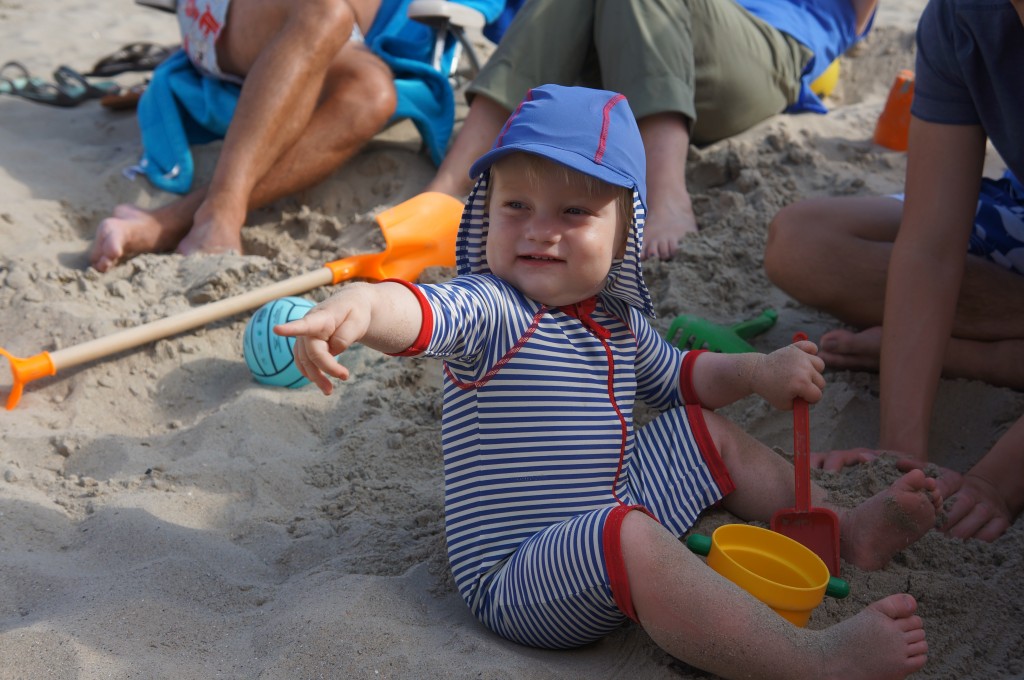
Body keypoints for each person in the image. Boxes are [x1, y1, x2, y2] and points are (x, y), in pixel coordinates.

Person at [277, 85, 938, 679]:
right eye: (516, 205)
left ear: (625, 235)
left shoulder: (615, 323)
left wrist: (759, 373)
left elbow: (684, 378)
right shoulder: (493, 308)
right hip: (520, 577)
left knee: (699, 431)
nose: (540, 230)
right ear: (485, 212)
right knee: (625, 533)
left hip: (608, 511)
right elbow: (421, 313)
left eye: (573, 211)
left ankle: (843, 532)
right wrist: (364, 307)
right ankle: (810, 660)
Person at [763, 0, 1024, 542]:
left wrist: (995, 483)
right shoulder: (963, 16)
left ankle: (972, 354)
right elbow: (930, 244)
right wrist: (899, 454)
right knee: (802, 243)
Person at [422, 0, 879, 260]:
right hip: (617, 39)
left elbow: (854, 16)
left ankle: (665, 197)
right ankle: (448, 188)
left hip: (764, 39)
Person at [89, 0, 397, 272]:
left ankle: (178, 218)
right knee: (326, 12)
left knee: (371, 94)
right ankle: (219, 211)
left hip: (330, 20)